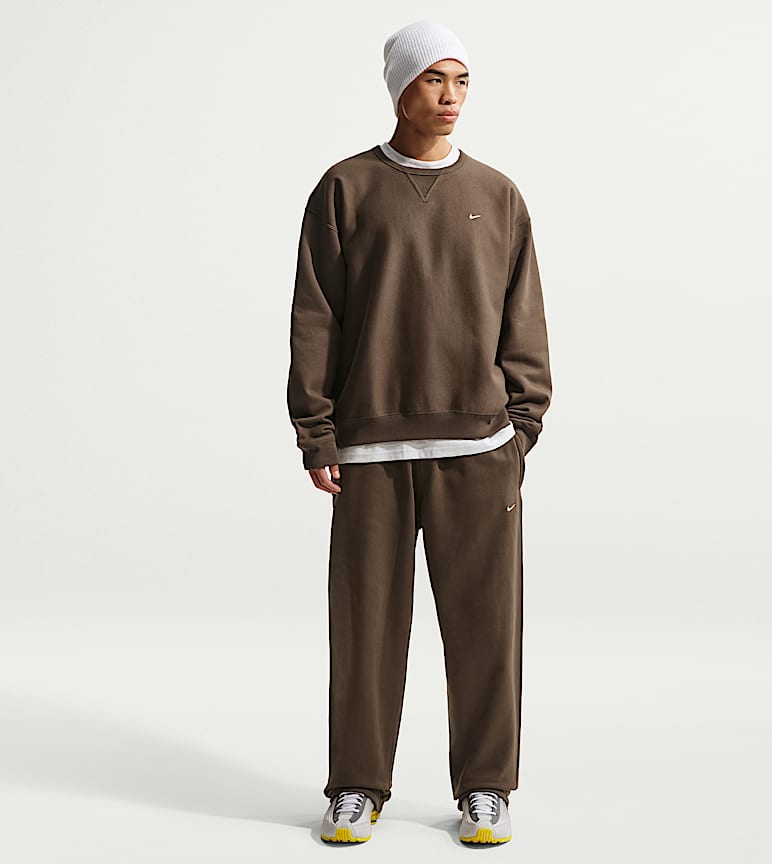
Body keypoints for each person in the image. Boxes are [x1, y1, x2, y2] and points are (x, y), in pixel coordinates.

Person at [286, 19, 552, 846]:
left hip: (479, 449)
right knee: (364, 632)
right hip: (369, 451)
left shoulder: (498, 195)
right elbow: (315, 316)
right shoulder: (345, 188)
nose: (450, 96)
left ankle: (486, 788)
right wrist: (317, 432)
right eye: (434, 78)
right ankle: (356, 787)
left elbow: (523, 317)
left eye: (461, 80)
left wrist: (521, 428)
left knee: (487, 630)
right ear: (400, 85)